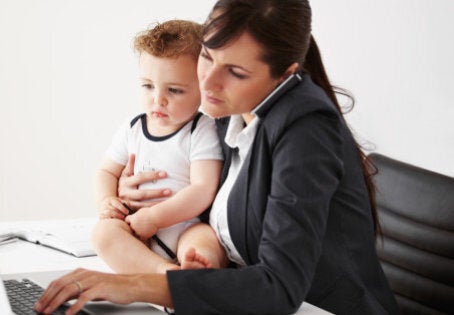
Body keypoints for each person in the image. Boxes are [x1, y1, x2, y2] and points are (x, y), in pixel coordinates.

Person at [36, 0, 399, 314]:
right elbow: (213, 196)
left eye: (235, 72)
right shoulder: (229, 111)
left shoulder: (306, 132)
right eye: (207, 57)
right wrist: (139, 187)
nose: (207, 84)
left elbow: (280, 287)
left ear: (286, 74)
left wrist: (136, 285)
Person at [92, 19, 227, 274]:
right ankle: (163, 272)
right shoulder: (133, 128)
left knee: (205, 240)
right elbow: (105, 172)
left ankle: (194, 268)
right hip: (136, 226)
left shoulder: (201, 129)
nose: (158, 99)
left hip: (185, 226)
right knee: (103, 234)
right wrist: (107, 201)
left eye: (174, 90)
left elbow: (203, 189)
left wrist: (155, 218)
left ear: (203, 87)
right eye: (148, 86)